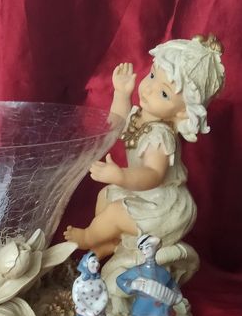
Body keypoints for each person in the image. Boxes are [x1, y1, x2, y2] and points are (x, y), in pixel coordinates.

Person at [64, 34, 225, 258]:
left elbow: (153, 175)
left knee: (116, 213)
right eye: (152, 75)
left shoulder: (160, 136)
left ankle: (89, 238)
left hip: (162, 205)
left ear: (183, 112)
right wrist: (122, 93)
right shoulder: (139, 116)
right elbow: (116, 124)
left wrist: (121, 176)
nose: (148, 89)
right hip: (141, 192)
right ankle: (109, 243)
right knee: (105, 196)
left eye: (164, 93)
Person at [116, 235, 182, 316]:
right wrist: (132, 284)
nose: (145, 251)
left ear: (155, 248)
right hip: (142, 306)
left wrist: (177, 295)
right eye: (142, 248)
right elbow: (120, 279)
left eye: (147, 247)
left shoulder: (163, 272)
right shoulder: (137, 270)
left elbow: (172, 285)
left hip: (158, 308)